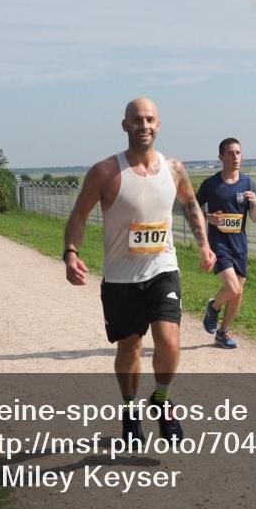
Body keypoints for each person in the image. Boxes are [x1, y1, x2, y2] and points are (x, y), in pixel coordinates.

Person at [63, 97, 215, 448]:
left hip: (163, 268)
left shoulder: (174, 168)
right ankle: (130, 411)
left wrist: (204, 245)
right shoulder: (104, 172)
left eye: (149, 120)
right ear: (125, 125)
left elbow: (191, 205)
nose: (143, 126)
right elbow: (80, 215)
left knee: (169, 341)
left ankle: (162, 401)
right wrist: (71, 252)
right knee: (130, 349)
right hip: (120, 277)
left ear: (158, 125)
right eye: (136, 120)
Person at [196, 138, 256, 349]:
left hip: (240, 245)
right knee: (232, 288)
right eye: (231, 153)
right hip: (219, 245)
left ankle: (222, 333)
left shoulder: (248, 183)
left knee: (238, 292)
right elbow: (192, 210)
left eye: (239, 153)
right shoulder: (211, 184)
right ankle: (213, 308)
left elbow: (254, 218)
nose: (236, 157)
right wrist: (209, 218)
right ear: (221, 157)